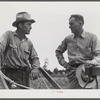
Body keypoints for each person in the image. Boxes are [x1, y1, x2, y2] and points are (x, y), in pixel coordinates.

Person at [55, 14, 100, 89]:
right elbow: (58, 51)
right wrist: (65, 64)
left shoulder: (92, 37)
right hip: (72, 74)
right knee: (72, 96)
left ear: (80, 23)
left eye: (71, 24)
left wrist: (92, 63)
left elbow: (99, 55)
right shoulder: (68, 39)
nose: (69, 26)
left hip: (87, 74)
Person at [0, 12, 40, 89]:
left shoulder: (29, 42)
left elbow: (35, 58)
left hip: (25, 77)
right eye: (28, 24)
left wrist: (35, 68)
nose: (31, 27)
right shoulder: (8, 36)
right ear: (20, 25)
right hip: (10, 75)